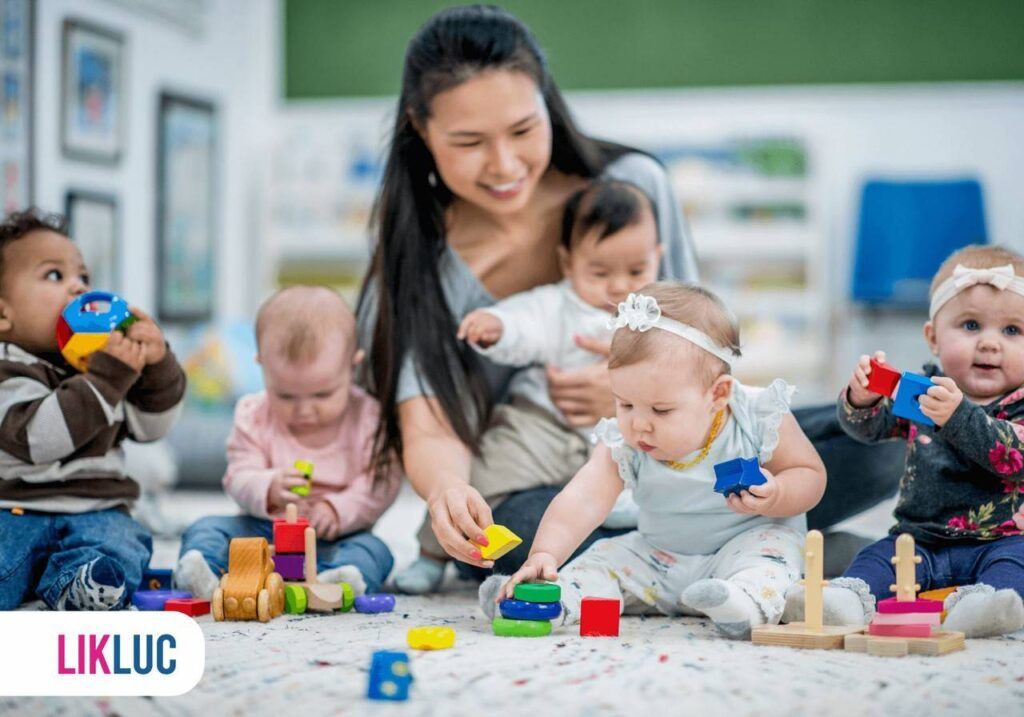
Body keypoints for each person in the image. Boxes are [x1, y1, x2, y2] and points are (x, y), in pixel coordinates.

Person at [357, 4, 901, 581]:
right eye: (469, 142)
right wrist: (447, 491)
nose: (505, 163)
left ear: (547, 102)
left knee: (882, 441)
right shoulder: (422, 258)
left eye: (523, 129)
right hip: (546, 471)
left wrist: (637, 398)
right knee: (524, 542)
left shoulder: (631, 189)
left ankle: (731, 541)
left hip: (682, 444)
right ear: (420, 126)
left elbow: (699, 340)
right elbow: (429, 419)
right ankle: (758, 546)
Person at [480, 282, 826, 639]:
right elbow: (583, 498)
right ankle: (546, 603)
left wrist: (778, 492)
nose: (638, 423)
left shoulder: (758, 415)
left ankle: (744, 604)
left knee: (773, 556)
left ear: (718, 394)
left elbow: (810, 474)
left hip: (742, 545)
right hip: (657, 556)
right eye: (624, 404)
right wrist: (544, 554)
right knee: (602, 559)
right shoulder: (624, 439)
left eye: (661, 410)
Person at [396, 179, 660, 592]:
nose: (618, 285)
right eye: (600, 271)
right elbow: (526, 323)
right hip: (538, 428)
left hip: (607, 438)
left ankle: (623, 511)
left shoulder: (658, 316)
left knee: (647, 463)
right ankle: (431, 554)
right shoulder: (559, 304)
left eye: (636, 270)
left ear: (658, 258)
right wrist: (498, 328)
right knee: (479, 481)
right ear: (568, 262)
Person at [784, 245, 1024, 638]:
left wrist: (958, 416)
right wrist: (863, 399)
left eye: (1012, 330)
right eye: (970, 325)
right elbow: (869, 430)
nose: (989, 343)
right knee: (876, 558)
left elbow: (1013, 458)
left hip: (1002, 541)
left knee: (1019, 566)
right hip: (920, 539)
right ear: (932, 337)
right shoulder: (921, 393)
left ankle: (987, 606)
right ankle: (846, 599)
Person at [0, 208, 186, 610]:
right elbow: (37, 439)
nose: (78, 288)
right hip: (13, 510)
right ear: (2, 313)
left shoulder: (103, 365)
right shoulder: (7, 370)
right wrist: (105, 381)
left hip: (98, 509)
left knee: (121, 543)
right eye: (55, 275)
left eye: (83, 277)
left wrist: (156, 366)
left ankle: (79, 587)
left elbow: (151, 427)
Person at [175, 287, 399, 598]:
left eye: (322, 394)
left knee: (376, 550)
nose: (304, 409)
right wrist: (268, 487)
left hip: (336, 537)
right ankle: (203, 572)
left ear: (353, 366)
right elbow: (238, 475)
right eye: (285, 395)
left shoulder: (369, 417)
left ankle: (341, 581)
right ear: (262, 366)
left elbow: (381, 482)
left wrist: (338, 509)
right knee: (207, 527)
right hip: (265, 532)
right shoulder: (253, 415)